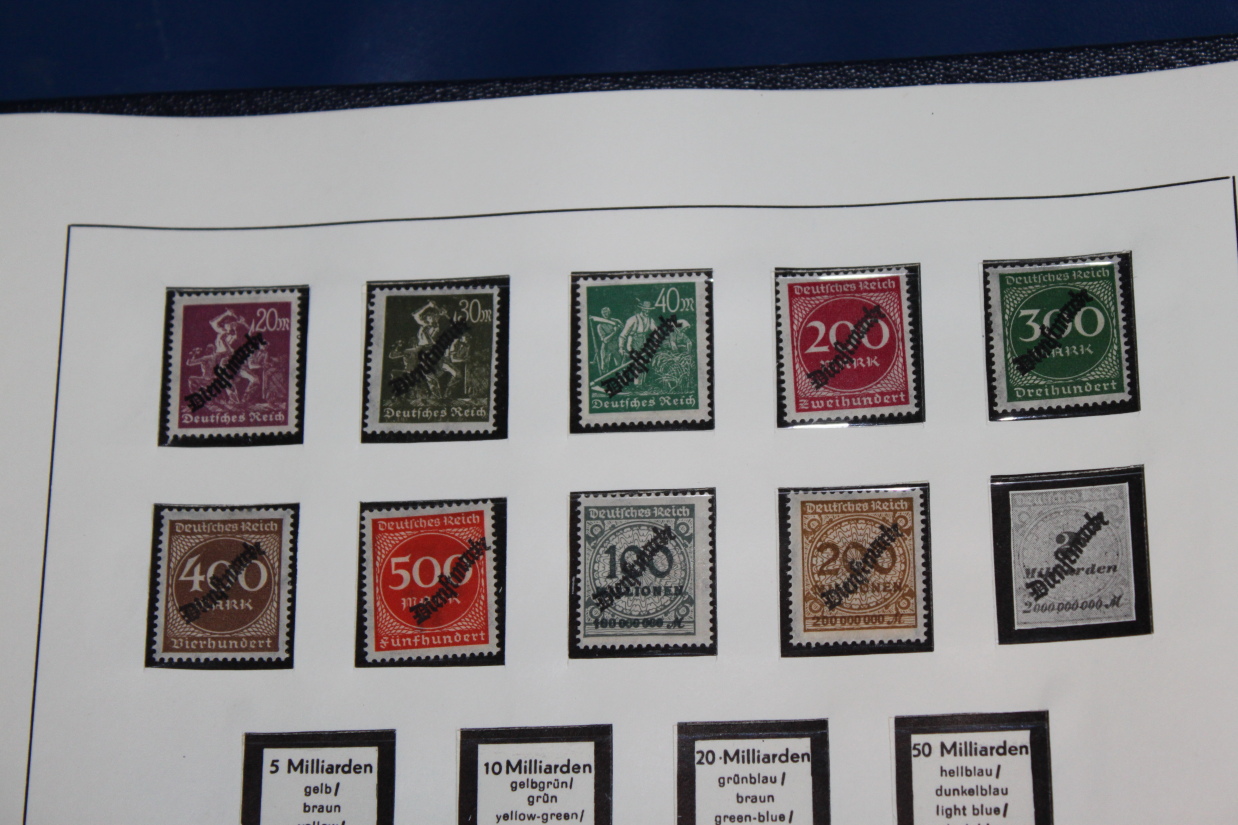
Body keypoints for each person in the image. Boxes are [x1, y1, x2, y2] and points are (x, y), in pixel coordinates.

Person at [618, 299, 658, 386]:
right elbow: (623, 335)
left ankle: (640, 384)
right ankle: (628, 383)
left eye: (649, 309)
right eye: (645, 309)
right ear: (641, 309)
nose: (647, 311)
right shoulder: (632, 319)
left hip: (642, 342)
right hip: (632, 343)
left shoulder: (650, 320)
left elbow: (655, 332)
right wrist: (621, 347)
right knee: (632, 363)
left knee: (643, 362)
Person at [589, 306, 621, 373]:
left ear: (610, 312)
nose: (605, 314)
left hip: (616, 345)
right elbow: (605, 340)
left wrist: (620, 327)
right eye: (603, 313)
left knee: (620, 365)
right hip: (606, 347)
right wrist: (614, 332)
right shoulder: (600, 326)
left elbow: (624, 330)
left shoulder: (616, 321)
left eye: (607, 312)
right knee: (604, 366)